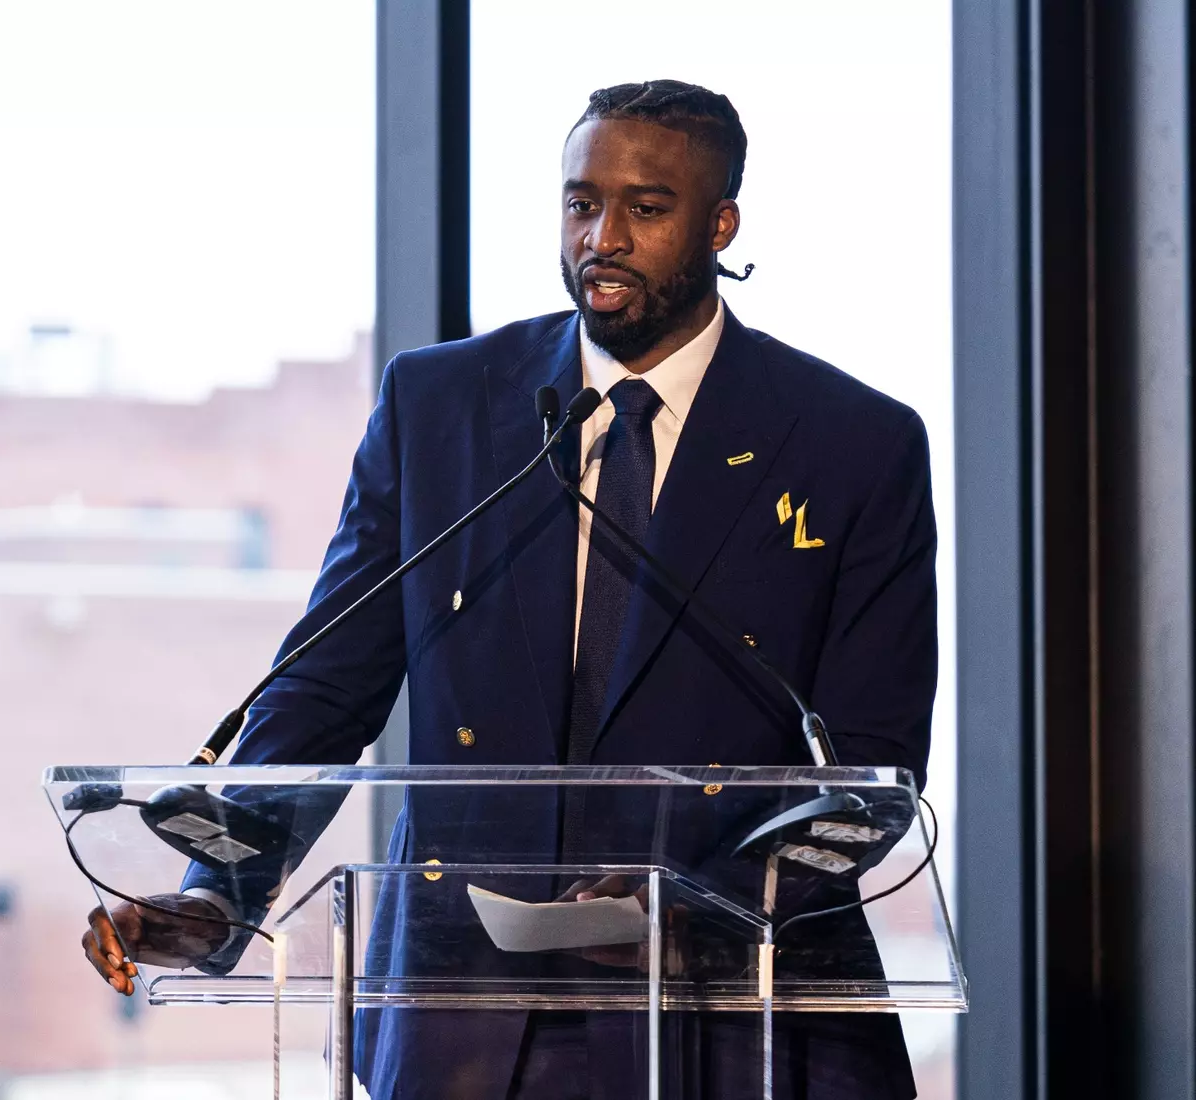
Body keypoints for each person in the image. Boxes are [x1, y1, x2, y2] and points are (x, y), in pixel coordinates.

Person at [82, 79, 936, 1099]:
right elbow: (324, 688)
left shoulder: (854, 441)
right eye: (581, 204)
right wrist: (217, 894)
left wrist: (707, 907)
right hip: (468, 1017)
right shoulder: (440, 405)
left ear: (720, 224)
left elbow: (870, 766)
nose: (602, 237)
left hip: (728, 1017)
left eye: (646, 208)